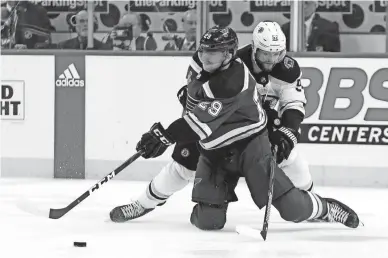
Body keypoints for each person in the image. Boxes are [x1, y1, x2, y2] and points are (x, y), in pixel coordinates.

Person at [110, 26, 360, 230]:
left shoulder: (235, 79)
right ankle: (143, 203)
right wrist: (177, 120)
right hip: (215, 139)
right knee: (188, 176)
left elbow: (292, 103)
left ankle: (319, 205)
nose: (272, 60)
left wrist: (288, 132)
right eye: (265, 54)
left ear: (228, 54)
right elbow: (194, 100)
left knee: (291, 180)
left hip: (249, 139)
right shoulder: (213, 62)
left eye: (277, 54)